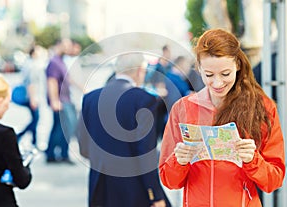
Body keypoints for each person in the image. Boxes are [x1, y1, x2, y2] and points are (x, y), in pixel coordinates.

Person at [159, 29, 285, 207]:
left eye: (225, 74)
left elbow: (274, 180)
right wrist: (178, 161)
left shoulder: (262, 108)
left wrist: (252, 160)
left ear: (238, 65)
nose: (217, 83)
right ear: (199, 68)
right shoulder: (183, 109)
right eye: (209, 75)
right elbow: (169, 181)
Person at [77, 53, 171, 207]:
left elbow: (84, 148)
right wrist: (155, 194)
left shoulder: (90, 98)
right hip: (133, 188)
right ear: (140, 70)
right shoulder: (144, 99)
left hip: (99, 186)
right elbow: (145, 153)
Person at [0, 73, 32, 207]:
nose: (8, 106)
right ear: (0, 101)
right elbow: (22, 180)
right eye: (8, 100)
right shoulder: (4, 134)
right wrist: (26, 167)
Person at [45, 39, 77, 164]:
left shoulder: (61, 61)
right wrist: (54, 100)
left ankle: (53, 154)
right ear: (59, 46)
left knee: (59, 128)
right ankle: (58, 154)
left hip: (65, 99)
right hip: (61, 101)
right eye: (66, 46)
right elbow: (52, 82)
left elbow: (68, 79)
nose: (69, 49)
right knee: (64, 128)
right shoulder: (54, 62)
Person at [17, 45, 44, 146]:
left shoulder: (29, 64)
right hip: (33, 97)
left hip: (32, 96)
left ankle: (34, 141)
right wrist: (33, 99)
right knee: (36, 119)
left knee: (35, 119)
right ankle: (20, 135)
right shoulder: (32, 66)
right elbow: (31, 83)